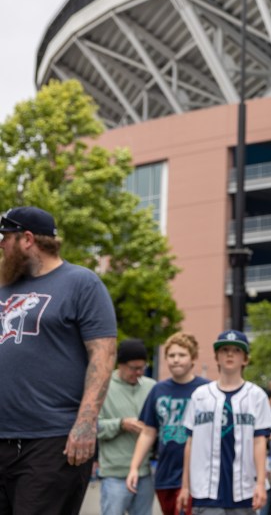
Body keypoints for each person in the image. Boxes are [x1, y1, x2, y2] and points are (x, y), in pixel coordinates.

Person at [0, 206, 118, 514]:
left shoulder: (81, 283)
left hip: (52, 441)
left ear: (27, 239)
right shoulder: (3, 285)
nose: (1, 245)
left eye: (5, 238)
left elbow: (103, 354)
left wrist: (86, 423)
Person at [178, 330, 271, 514]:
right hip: (205, 491)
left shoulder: (256, 396)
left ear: (245, 359)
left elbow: (259, 442)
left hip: (245, 491)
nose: (230, 354)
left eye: (236, 350)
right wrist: (185, 486)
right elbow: (190, 443)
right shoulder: (200, 395)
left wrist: (261, 484)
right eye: (224, 350)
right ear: (217, 357)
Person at [127, 331, 209, 515]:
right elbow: (148, 432)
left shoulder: (206, 389)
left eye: (182, 355)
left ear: (193, 358)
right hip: (166, 475)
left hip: (198, 477)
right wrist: (134, 467)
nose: (176, 360)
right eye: (171, 355)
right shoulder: (158, 390)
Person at [98, 338, 157, 515]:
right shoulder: (102, 387)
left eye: (142, 367)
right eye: (134, 368)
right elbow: (91, 427)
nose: (139, 373)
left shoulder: (152, 387)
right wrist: (121, 424)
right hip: (114, 475)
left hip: (144, 473)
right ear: (120, 365)